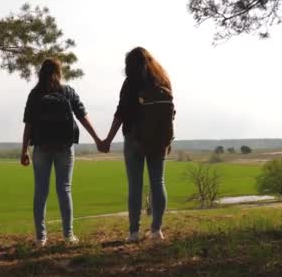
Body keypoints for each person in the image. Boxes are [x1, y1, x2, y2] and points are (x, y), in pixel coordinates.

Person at [20, 58, 104, 247]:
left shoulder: (35, 94)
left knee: (40, 192)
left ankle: (40, 238)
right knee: (64, 189)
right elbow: (82, 116)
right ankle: (68, 236)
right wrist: (98, 139)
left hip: (41, 148)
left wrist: (24, 150)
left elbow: (29, 124)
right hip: (64, 148)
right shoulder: (67, 92)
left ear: (40, 73)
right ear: (59, 72)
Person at [101, 47, 174, 242]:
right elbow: (168, 115)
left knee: (135, 186)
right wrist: (167, 139)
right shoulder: (163, 80)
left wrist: (108, 139)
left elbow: (120, 113)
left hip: (134, 138)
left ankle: (134, 232)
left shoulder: (131, 82)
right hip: (158, 141)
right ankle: (157, 230)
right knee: (158, 182)